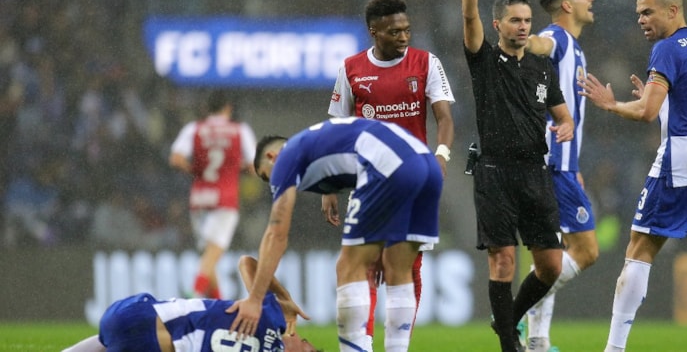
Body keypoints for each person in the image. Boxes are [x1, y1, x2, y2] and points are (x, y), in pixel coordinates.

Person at [577, 0, 687, 352]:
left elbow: (647, 112)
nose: (640, 19)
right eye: (638, 12)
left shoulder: (665, 49)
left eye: (647, 11)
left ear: (672, 11)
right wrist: (661, 102)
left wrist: (611, 104)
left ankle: (614, 349)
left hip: (681, 161)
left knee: (639, 248)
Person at [229, 117, 442, 352]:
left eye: (268, 177)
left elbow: (276, 234)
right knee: (398, 269)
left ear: (271, 157)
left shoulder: (286, 156)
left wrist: (256, 299)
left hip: (387, 164)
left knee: (348, 267)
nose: (275, 184)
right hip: (426, 165)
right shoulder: (316, 144)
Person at [456, 0, 575, 352]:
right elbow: (469, 15)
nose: (523, 27)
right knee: (503, 260)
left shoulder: (543, 68)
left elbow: (563, 116)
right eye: (515, 21)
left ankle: (507, 321)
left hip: (535, 172)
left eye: (527, 21)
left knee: (550, 265)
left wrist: (566, 128)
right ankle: (509, 344)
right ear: (498, 25)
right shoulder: (485, 60)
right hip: (494, 172)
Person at [327, 0, 455, 340]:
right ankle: (362, 344)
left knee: (406, 268)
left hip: (413, 181)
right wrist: (331, 184)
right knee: (362, 267)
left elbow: (444, 118)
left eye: (407, 30)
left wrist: (441, 155)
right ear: (374, 32)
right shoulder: (351, 69)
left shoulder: (426, 63)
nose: (403, 37)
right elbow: (338, 131)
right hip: (366, 183)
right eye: (394, 32)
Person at [520, 0, 599, 352]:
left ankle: (538, 340)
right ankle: (518, 313)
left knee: (551, 256)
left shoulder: (577, 49)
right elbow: (540, 43)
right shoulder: (560, 39)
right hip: (554, 166)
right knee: (586, 251)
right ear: (567, 5)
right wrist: (523, 39)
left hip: (562, 164)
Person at [62, 255, 320, 352]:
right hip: (147, 338)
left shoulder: (271, 320)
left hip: (135, 318)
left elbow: (246, 263)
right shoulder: (271, 321)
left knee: (111, 338)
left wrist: (282, 299)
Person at [169, 90, 257, 299]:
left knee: (208, 256)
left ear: (205, 109)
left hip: (200, 199)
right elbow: (254, 165)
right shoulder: (239, 131)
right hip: (225, 199)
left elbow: (176, 159)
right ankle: (194, 294)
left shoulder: (194, 129)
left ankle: (219, 304)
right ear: (228, 108)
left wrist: (196, 170)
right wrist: (238, 167)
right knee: (213, 254)